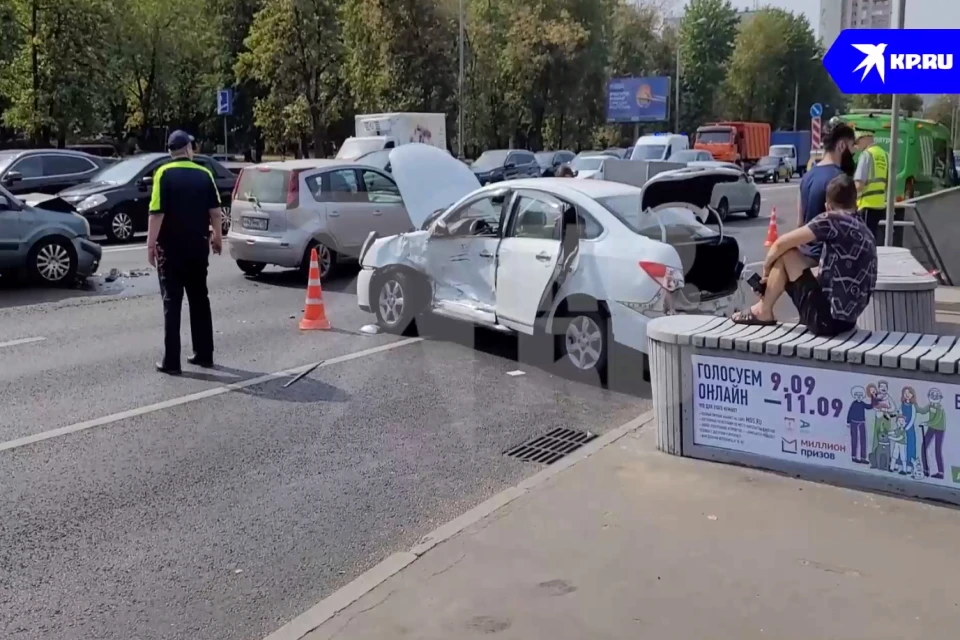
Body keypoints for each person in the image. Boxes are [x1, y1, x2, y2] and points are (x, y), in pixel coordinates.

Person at [732, 173, 877, 336]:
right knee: (792, 258)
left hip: (826, 321)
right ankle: (764, 307)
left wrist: (766, 274)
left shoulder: (833, 220)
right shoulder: (863, 229)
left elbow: (780, 244)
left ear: (828, 206)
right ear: (855, 203)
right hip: (847, 322)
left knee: (786, 253)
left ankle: (763, 310)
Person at [147, 130, 223, 375]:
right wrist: (218, 238)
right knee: (200, 300)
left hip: (171, 249)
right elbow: (215, 211)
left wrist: (150, 245)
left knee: (172, 303)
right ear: (188, 149)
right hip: (198, 247)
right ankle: (204, 353)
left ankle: (172, 362)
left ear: (171, 151)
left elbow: (157, 212)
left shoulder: (163, 173)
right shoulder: (205, 173)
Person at [797, 122, 857, 263]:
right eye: (852, 146)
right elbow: (848, 228)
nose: (853, 152)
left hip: (804, 255)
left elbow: (800, 223)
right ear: (842, 146)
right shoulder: (841, 181)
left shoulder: (807, 176)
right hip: (829, 259)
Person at [853, 129, 889, 240]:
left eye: (857, 142)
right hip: (880, 205)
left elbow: (859, 184)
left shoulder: (866, 155)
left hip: (866, 205)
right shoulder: (885, 155)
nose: (856, 146)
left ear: (865, 139)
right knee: (873, 238)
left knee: (863, 239)